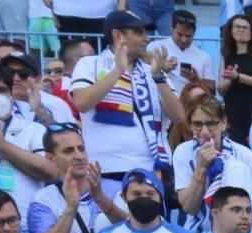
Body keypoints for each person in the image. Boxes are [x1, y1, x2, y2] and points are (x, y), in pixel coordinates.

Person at [68, 10, 183, 191]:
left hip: (152, 172)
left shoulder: (153, 70)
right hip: (105, 171)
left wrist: (159, 78)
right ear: (117, 35)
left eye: (146, 32)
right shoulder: (90, 63)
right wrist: (117, 71)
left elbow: (179, 117)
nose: (146, 38)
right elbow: (82, 103)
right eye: (139, 32)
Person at [174, 96, 252, 231]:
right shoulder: (183, 152)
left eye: (211, 124)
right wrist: (201, 167)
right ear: (190, 125)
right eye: (197, 124)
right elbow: (190, 207)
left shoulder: (245, 155)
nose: (204, 131)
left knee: (235, 167)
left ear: (223, 123)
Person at [0, 61, 53, 219]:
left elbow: (51, 172)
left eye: (1, 90)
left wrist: (3, 146)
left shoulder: (33, 129)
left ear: (10, 95)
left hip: (23, 226)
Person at [217, 14, 252, 145]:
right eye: (238, 27)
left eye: (245, 28)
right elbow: (220, 89)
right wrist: (230, 79)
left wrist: (238, 77)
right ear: (231, 31)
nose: (241, 30)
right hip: (233, 114)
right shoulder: (226, 56)